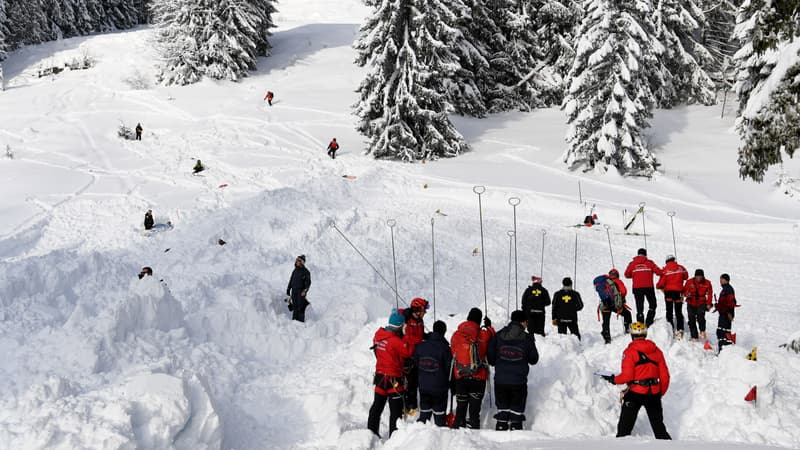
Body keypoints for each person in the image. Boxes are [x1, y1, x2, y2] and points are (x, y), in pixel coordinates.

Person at [600, 322, 671, 439]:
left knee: (624, 429)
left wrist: (614, 380)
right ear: (645, 334)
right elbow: (665, 376)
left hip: (635, 393)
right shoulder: (657, 351)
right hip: (653, 393)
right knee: (659, 429)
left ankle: (621, 446)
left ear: (632, 335)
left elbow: (627, 376)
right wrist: (659, 393)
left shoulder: (629, 352)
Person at [487, 310, 539, 430]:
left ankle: (500, 431)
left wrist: (494, 362)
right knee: (516, 415)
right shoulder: (527, 338)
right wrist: (531, 341)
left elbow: (490, 354)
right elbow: (534, 359)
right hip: (518, 382)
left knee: (502, 413)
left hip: (500, 381)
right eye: (526, 322)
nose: (527, 324)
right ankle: (516, 434)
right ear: (522, 322)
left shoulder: (499, 335)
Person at [368, 309, 414, 438]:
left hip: (380, 377)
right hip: (394, 379)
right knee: (396, 411)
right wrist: (407, 334)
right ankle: (395, 438)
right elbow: (408, 351)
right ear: (400, 326)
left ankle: (371, 433)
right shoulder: (395, 341)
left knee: (377, 407)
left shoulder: (378, 335)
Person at [450, 307, 495, 429]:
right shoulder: (483, 335)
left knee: (460, 410)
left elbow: (453, 352)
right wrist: (488, 326)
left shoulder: (456, 335)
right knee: (474, 412)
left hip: (461, 377)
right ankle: (474, 436)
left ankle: (456, 436)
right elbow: (492, 335)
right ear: (479, 321)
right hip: (478, 378)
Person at [412, 320, 451, 426]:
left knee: (424, 417)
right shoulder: (446, 349)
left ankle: (419, 438)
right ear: (444, 332)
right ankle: (440, 438)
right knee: (439, 418)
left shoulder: (420, 346)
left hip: (423, 386)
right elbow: (449, 369)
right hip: (439, 388)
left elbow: (415, 364)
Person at [399, 297, 429, 414]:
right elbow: (409, 338)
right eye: (423, 310)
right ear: (417, 310)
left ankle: (413, 405)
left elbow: (419, 335)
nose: (425, 313)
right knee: (409, 383)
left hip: (417, 355)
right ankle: (408, 406)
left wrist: (427, 337)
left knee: (415, 382)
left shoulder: (419, 321)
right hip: (407, 356)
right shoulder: (406, 321)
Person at [624, 248, 664, 327]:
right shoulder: (650, 263)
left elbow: (627, 275)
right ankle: (649, 321)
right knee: (653, 305)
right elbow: (659, 272)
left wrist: (636, 274)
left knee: (639, 307)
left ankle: (640, 325)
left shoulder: (632, 264)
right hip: (649, 287)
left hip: (637, 288)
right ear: (645, 254)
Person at [594, 269, 632, 344]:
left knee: (606, 321)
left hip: (605, 304)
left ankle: (607, 337)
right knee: (627, 314)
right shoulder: (617, 281)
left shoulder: (604, 281)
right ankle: (628, 329)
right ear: (617, 275)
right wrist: (621, 299)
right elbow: (623, 291)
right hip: (614, 304)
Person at [656, 255, 689, 339]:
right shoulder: (681, 268)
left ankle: (671, 329)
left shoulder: (665, 270)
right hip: (679, 292)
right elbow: (686, 276)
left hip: (669, 293)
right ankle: (680, 329)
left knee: (669, 311)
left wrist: (659, 286)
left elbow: (660, 284)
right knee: (678, 311)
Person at [682, 269, 713, 341]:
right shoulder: (689, 282)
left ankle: (702, 331)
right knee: (691, 319)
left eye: (700, 277)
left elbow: (710, 294)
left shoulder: (707, 283)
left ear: (703, 276)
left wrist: (708, 304)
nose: (698, 278)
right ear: (695, 276)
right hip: (691, 302)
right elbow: (684, 291)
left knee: (700, 317)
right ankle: (694, 336)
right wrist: (687, 294)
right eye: (697, 276)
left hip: (701, 302)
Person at [715, 273, 737, 351]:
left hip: (726, 314)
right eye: (720, 279)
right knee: (720, 331)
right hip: (723, 314)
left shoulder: (728, 289)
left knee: (724, 332)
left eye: (722, 279)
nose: (720, 281)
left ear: (726, 280)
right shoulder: (725, 289)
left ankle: (725, 351)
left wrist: (729, 313)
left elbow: (732, 302)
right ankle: (721, 350)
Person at [286, 255, 311, 322]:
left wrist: (305, 291)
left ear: (302, 262)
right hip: (294, 291)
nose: (296, 261)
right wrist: (288, 289)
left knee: (300, 307)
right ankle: (294, 322)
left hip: (301, 292)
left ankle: (300, 323)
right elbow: (291, 280)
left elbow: (308, 283)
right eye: (296, 260)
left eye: (298, 260)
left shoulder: (306, 272)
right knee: (294, 307)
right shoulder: (295, 271)